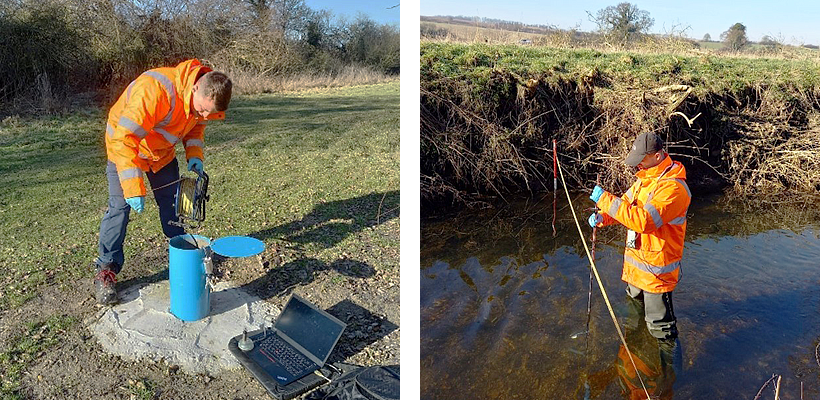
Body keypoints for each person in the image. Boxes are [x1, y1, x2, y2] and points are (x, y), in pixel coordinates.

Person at [94, 59, 232, 305]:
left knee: (173, 202)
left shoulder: (201, 101)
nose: (203, 116)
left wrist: (195, 155)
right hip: (125, 149)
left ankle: (182, 255)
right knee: (120, 208)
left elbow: (195, 128)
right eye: (201, 110)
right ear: (194, 89)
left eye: (208, 114)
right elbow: (124, 140)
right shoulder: (155, 90)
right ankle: (106, 271)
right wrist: (134, 188)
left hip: (161, 154)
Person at [587, 132, 691, 342]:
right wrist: (603, 218)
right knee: (632, 317)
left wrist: (605, 200)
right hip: (636, 269)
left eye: (642, 160)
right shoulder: (644, 180)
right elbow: (625, 206)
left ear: (658, 156)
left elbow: (644, 221)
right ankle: (632, 358)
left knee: (661, 329)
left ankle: (668, 374)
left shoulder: (674, 188)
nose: (638, 166)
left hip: (656, 274)